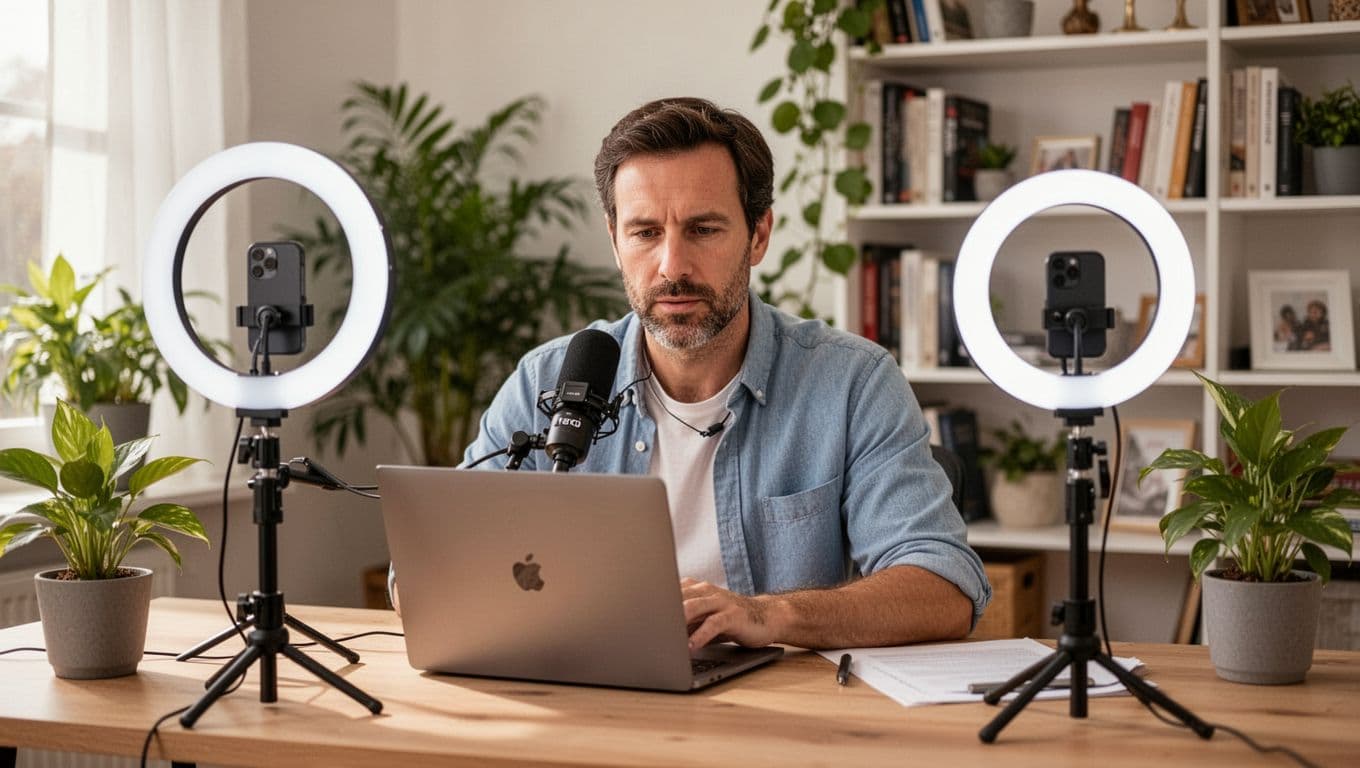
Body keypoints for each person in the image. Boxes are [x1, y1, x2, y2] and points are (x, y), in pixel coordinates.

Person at [394, 97, 990, 651]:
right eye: (645, 232)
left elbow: (946, 587)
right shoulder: (545, 381)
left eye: (703, 230)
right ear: (614, 239)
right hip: (584, 701)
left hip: (777, 723)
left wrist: (768, 615)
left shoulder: (852, 384)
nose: (671, 266)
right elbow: (421, 574)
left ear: (758, 236)